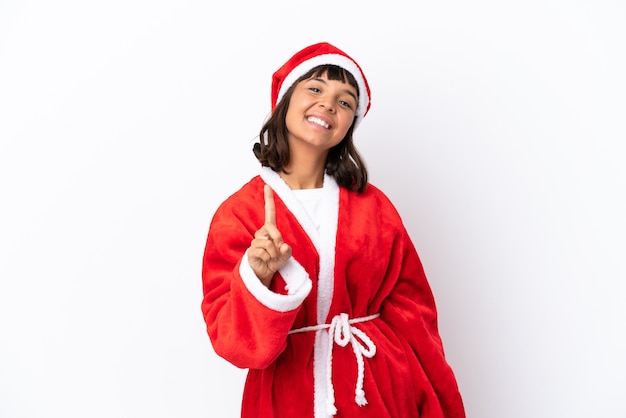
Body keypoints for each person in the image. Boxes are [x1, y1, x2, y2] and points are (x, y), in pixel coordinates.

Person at [201, 42, 466, 418]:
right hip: (285, 395)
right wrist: (257, 277)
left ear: (350, 124)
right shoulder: (240, 213)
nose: (328, 104)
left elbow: (415, 317)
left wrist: (437, 403)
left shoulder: (374, 207)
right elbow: (235, 345)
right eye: (315, 88)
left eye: (345, 102)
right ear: (285, 100)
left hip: (376, 389)